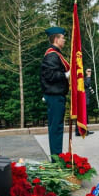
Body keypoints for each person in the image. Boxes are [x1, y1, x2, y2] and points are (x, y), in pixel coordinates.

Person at [40, 27, 70, 161]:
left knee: (56, 128)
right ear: (56, 39)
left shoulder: (54, 54)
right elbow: (49, 75)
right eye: (63, 38)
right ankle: (56, 160)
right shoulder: (52, 55)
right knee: (56, 129)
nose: (64, 40)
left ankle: (56, 158)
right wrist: (66, 75)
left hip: (55, 96)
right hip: (55, 96)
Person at [75, 68, 94, 136]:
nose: (90, 72)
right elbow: (86, 84)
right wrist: (88, 77)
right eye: (88, 71)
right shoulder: (82, 79)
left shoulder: (85, 79)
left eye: (90, 71)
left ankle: (83, 130)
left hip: (85, 100)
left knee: (84, 116)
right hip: (82, 100)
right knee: (82, 116)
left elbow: (88, 87)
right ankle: (80, 131)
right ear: (85, 72)